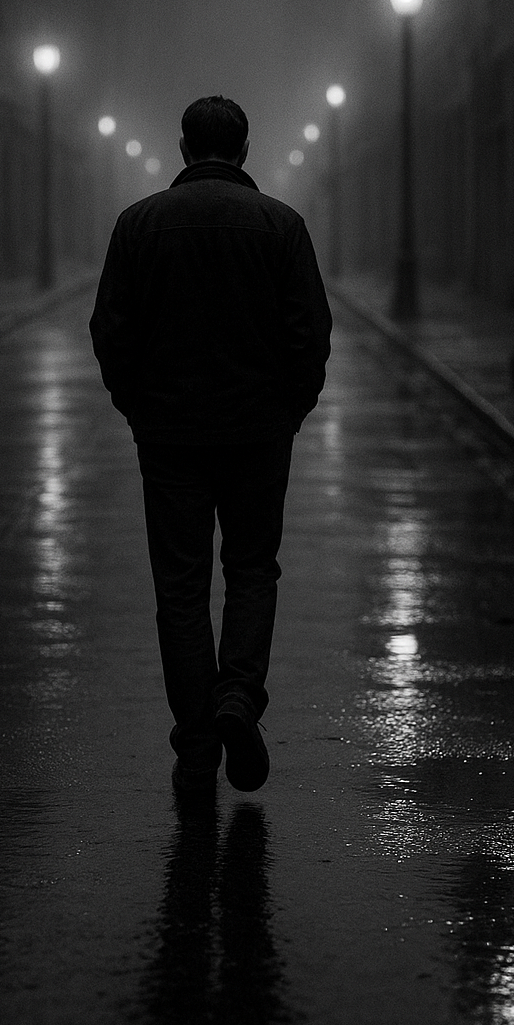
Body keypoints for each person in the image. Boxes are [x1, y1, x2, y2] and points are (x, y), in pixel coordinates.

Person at [89, 95, 332, 795]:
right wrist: (288, 411)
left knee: (181, 585)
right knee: (252, 568)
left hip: (170, 435)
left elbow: (111, 331)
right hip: (257, 432)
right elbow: (310, 333)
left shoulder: (138, 225)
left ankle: (196, 741)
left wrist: (139, 407)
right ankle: (237, 697)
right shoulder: (281, 225)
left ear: (183, 147)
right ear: (245, 149)